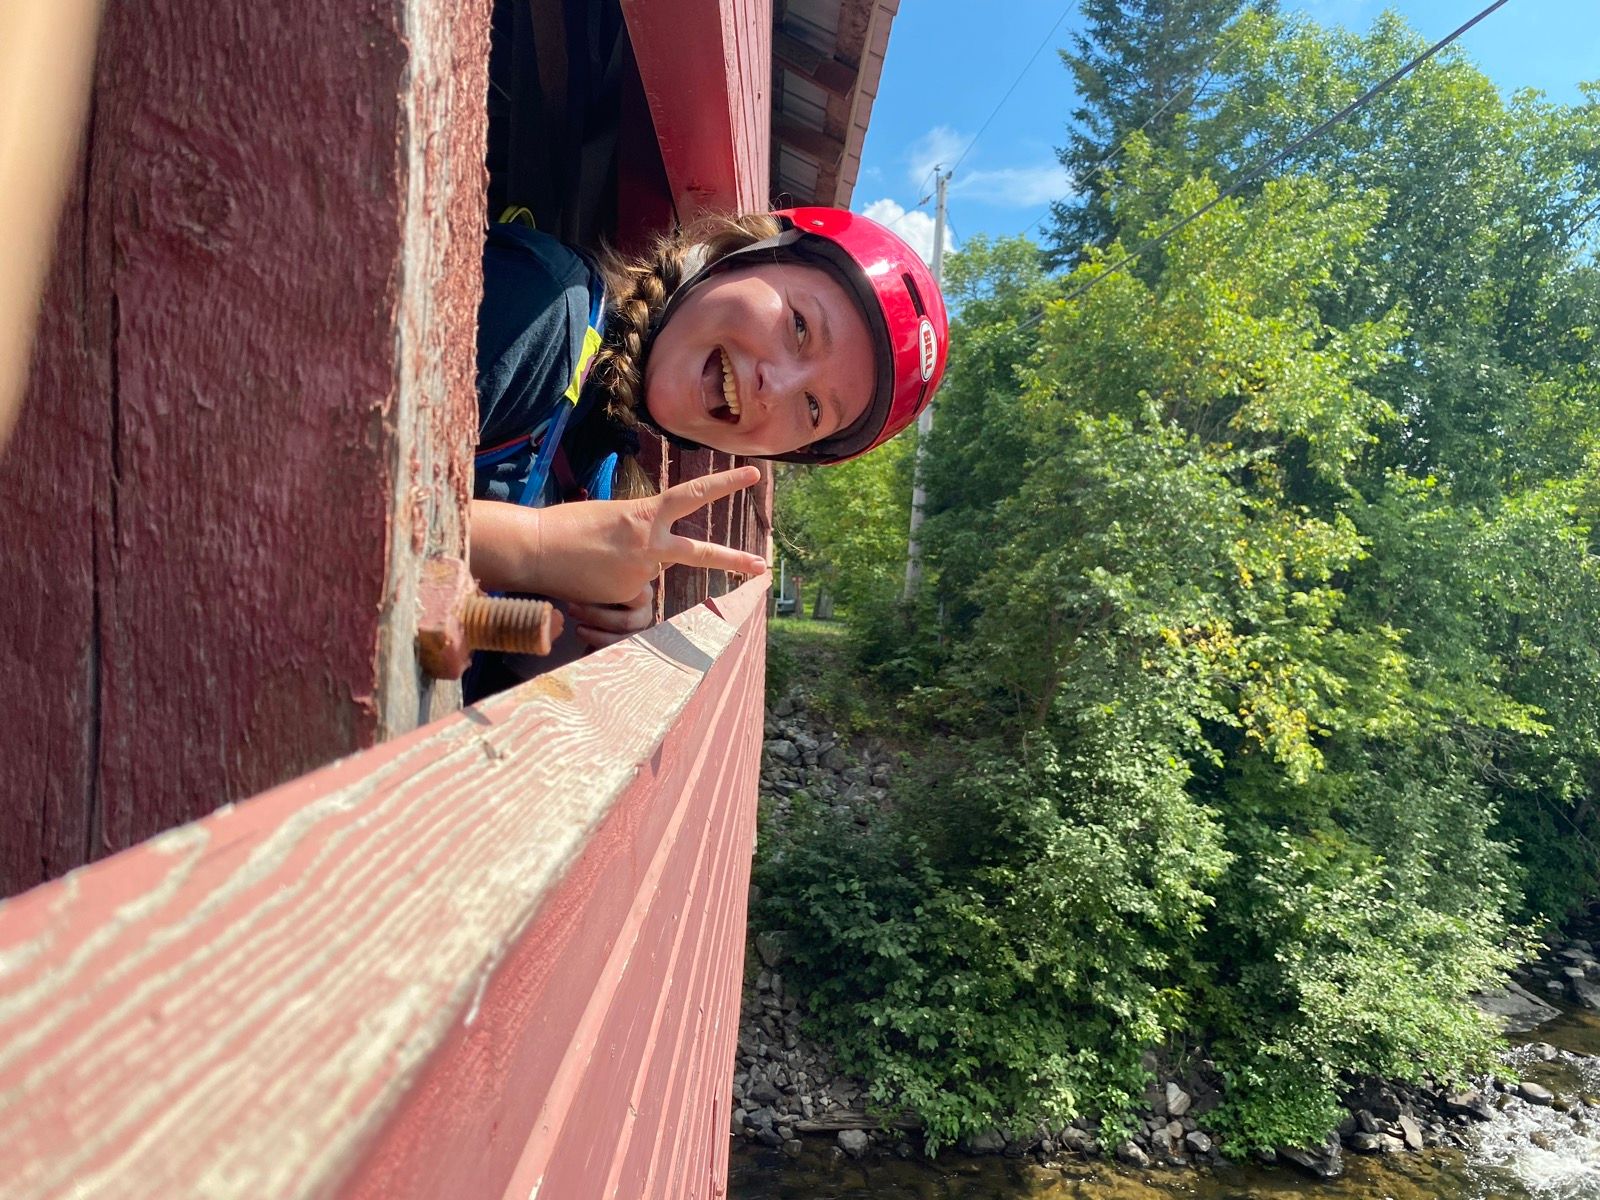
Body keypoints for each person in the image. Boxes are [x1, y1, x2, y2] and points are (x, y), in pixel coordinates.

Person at [467, 206, 948, 687]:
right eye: (800, 326)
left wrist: (596, 626)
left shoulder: (602, 467)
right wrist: (536, 546)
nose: (776, 387)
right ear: (738, 257)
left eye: (814, 408)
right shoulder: (543, 303)